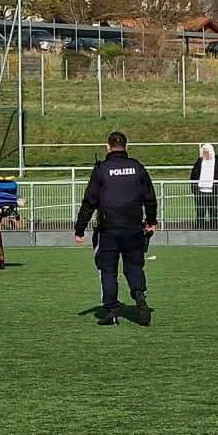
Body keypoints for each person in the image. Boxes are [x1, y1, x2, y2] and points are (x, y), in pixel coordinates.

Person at [74, 131, 157, 326]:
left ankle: (111, 310)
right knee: (134, 266)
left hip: (108, 230)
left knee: (108, 270)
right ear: (126, 147)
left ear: (107, 147)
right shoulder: (137, 168)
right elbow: (150, 198)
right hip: (134, 228)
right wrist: (152, 221)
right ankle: (139, 294)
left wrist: (80, 229)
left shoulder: (102, 170)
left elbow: (89, 201)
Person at [188, 143, 218, 230]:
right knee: (200, 212)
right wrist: (195, 189)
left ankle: (214, 228)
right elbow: (193, 175)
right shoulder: (200, 162)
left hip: (213, 192)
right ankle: (199, 228)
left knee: (213, 212)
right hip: (200, 192)